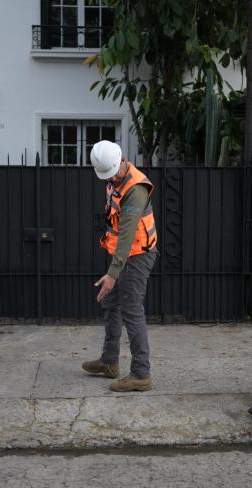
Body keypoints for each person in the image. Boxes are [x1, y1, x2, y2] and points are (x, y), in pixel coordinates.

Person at [81, 140, 158, 392]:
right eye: (107, 176)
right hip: (123, 255)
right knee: (111, 304)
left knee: (131, 309)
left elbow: (126, 236)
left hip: (138, 255)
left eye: (113, 173)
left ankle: (140, 374)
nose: (111, 179)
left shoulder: (136, 190)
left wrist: (112, 274)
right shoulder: (115, 180)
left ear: (123, 159)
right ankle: (110, 362)